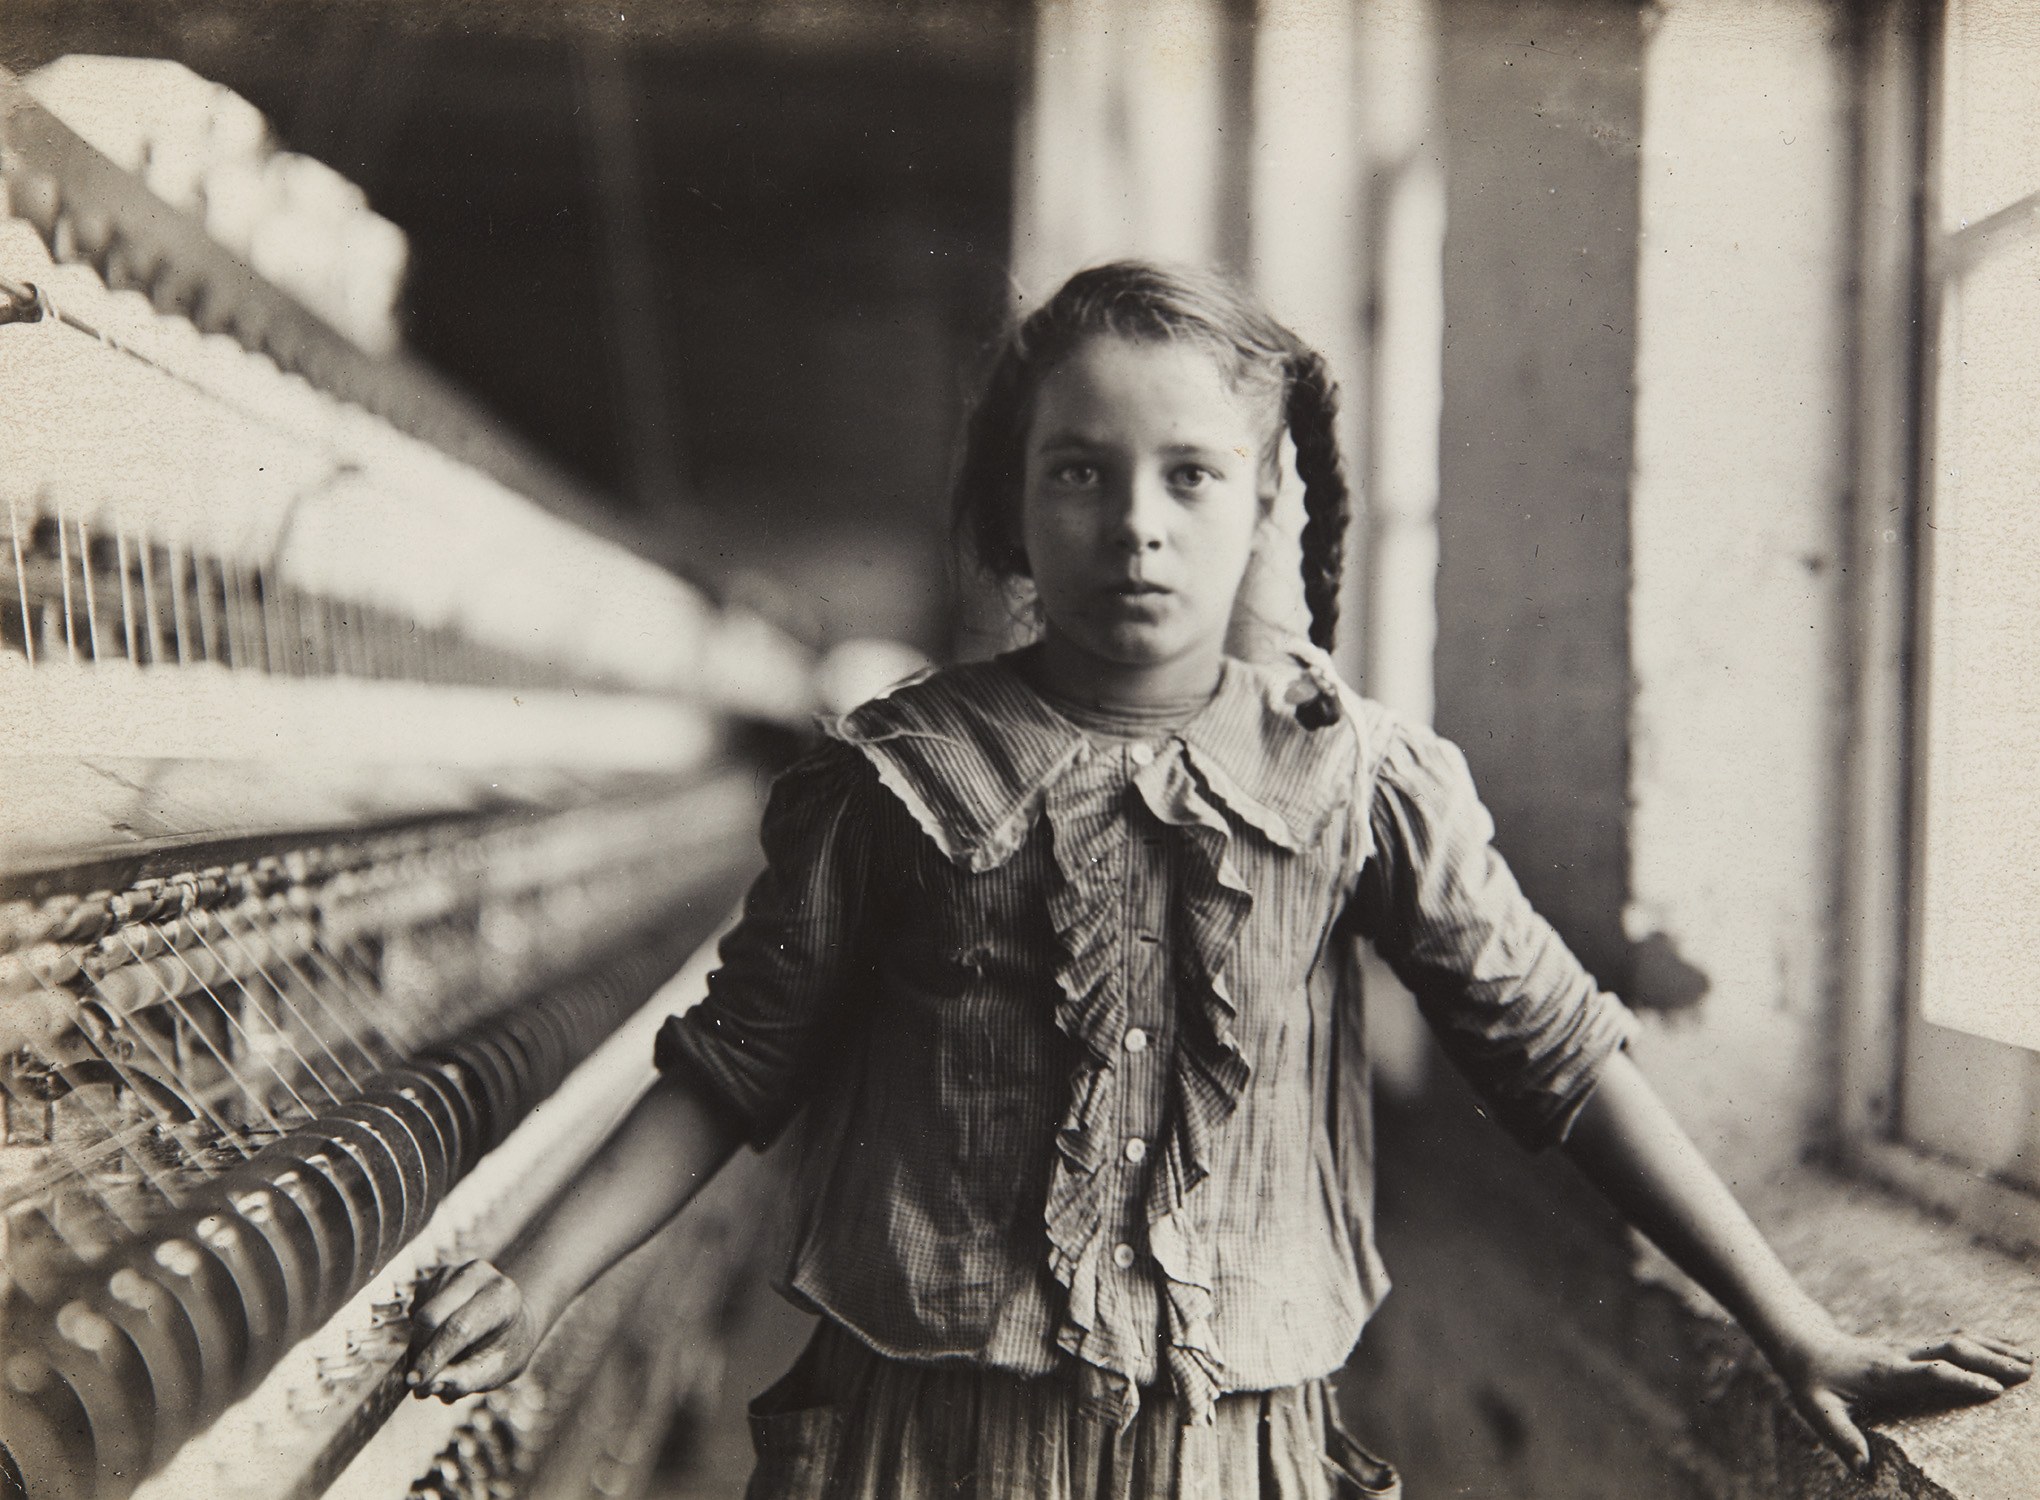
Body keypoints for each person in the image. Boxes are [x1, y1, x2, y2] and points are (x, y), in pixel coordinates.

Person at [406, 262, 2030, 1498]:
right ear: (1009, 507)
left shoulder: (1361, 780)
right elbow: (730, 1064)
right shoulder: (892, 778)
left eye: (1191, 476)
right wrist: (539, 1283)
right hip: (928, 1434)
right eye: (1079, 473)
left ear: (1266, 504)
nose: (1136, 526)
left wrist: (1791, 1324)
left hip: (1229, 1449)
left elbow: (1561, 1053)